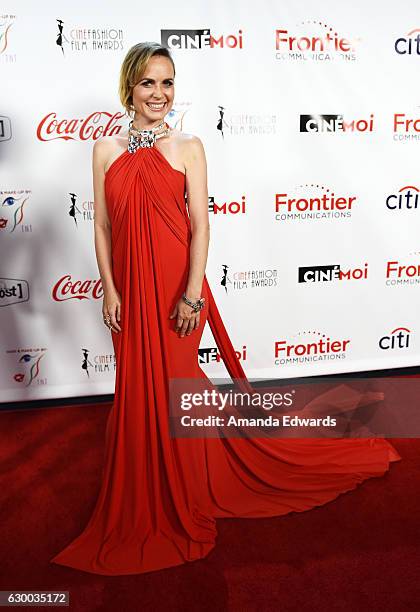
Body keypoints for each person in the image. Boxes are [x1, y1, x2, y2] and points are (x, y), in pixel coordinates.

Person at [50, 42, 401, 576]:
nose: (159, 95)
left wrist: (192, 293)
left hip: (174, 291)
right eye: (148, 83)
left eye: (168, 83)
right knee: (136, 391)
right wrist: (109, 288)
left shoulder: (188, 146)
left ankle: (184, 485)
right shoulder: (104, 150)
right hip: (130, 291)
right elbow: (100, 226)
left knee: (175, 386)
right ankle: (143, 485)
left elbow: (201, 225)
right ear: (129, 86)